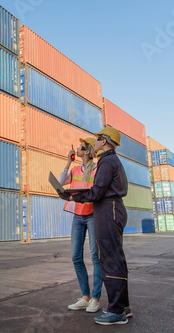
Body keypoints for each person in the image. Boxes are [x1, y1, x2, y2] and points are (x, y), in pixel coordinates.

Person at [67, 127, 130, 325]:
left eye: (96, 140)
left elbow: (97, 191)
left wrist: (73, 195)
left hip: (108, 211)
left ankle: (116, 310)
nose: (94, 143)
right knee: (116, 259)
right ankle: (123, 307)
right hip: (112, 210)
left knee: (109, 260)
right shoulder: (113, 160)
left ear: (104, 141)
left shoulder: (106, 161)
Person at [59, 138, 102, 313]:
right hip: (78, 215)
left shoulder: (98, 169)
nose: (76, 148)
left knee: (95, 257)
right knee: (76, 256)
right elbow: (62, 181)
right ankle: (85, 297)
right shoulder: (76, 169)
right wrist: (67, 162)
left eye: (80, 147)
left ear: (87, 151)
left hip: (92, 214)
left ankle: (96, 299)